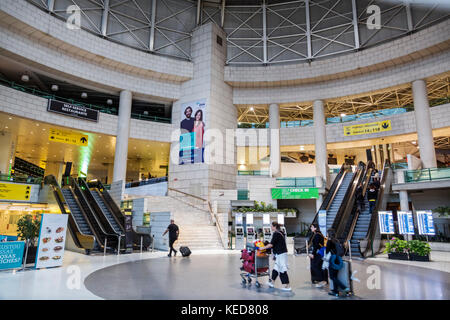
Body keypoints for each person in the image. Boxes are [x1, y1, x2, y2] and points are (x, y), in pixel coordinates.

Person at [259, 222, 291, 291]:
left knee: (282, 269)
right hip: (281, 253)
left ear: (275, 226)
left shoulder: (276, 234)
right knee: (276, 268)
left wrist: (262, 248)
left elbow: (271, 245)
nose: (271, 227)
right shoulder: (281, 232)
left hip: (281, 254)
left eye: (272, 226)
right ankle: (272, 282)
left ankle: (287, 286)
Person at [326, 228, 349, 296]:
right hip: (338, 260)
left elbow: (327, 251)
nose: (326, 234)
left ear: (329, 234)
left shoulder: (329, 241)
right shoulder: (336, 240)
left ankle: (344, 287)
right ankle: (335, 292)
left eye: (327, 233)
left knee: (332, 277)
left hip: (332, 259)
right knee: (335, 276)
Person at [308, 223, 328, 287]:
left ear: (315, 228)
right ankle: (322, 279)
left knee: (315, 265)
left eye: (312, 227)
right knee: (320, 265)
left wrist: (313, 254)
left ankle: (320, 279)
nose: (311, 228)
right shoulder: (318, 234)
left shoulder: (317, 235)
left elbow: (316, 246)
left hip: (319, 253)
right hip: (321, 252)